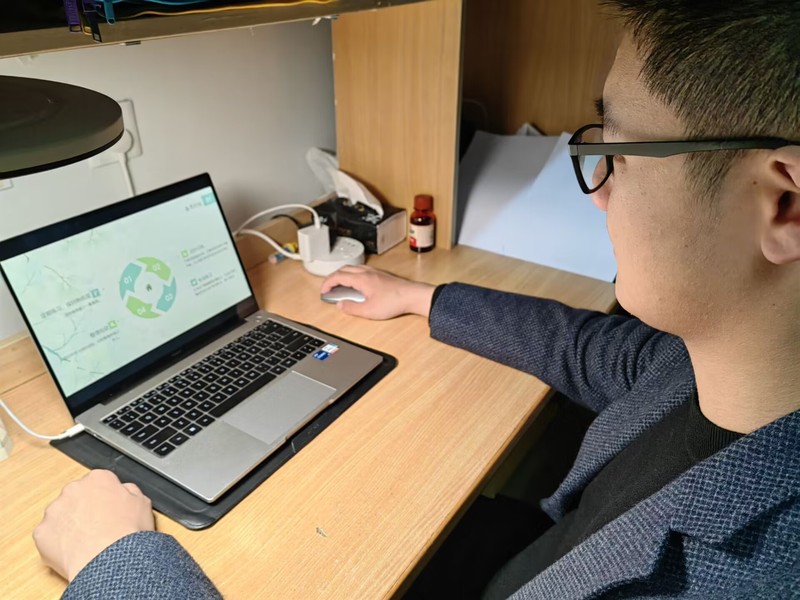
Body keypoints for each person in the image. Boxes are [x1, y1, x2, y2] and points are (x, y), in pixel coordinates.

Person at [33, 1, 800, 598]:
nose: (597, 192)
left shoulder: (751, 577)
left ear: (782, 205)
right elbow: (607, 352)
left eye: (615, 153)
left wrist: (117, 563)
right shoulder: (739, 374)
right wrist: (419, 297)